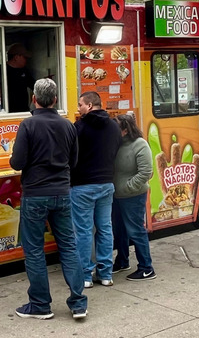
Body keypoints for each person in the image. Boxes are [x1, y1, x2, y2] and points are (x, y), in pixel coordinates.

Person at [9, 78, 88, 320]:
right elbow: (74, 162)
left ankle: (41, 305)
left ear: (34, 99)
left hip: (35, 195)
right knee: (69, 246)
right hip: (62, 193)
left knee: (34, 250)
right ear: (55, 100)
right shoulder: (68, 126)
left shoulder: (28, 125)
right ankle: (78, 303)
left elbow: (17, 163)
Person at [70, 91, 122, 288]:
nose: (78, 108)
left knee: (83, 232)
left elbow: (70, 155)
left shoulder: (79, 127)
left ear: (90, 105)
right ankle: (106, 274)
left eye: (81, 104)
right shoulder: (114, 127)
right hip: (107, 184)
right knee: (105, 228)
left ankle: (85, 275)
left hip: (82, 185)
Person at [112, 113, 156, 281]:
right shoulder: (116, 145)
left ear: (124, 130)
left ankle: (146, 267)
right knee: (119, 230)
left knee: (136, 230)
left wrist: (128, 187)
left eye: (116, 128)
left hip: (133, 196)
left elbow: (145, 172)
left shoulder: (140, 145)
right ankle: (122, 261)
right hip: (117, 195)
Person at [0, 43, 35, 112]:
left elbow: (34, 86)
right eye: (25, 57)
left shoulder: (24, 71)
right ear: (16, 57)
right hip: (6, 114)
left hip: (23, 112)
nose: (26, 60)